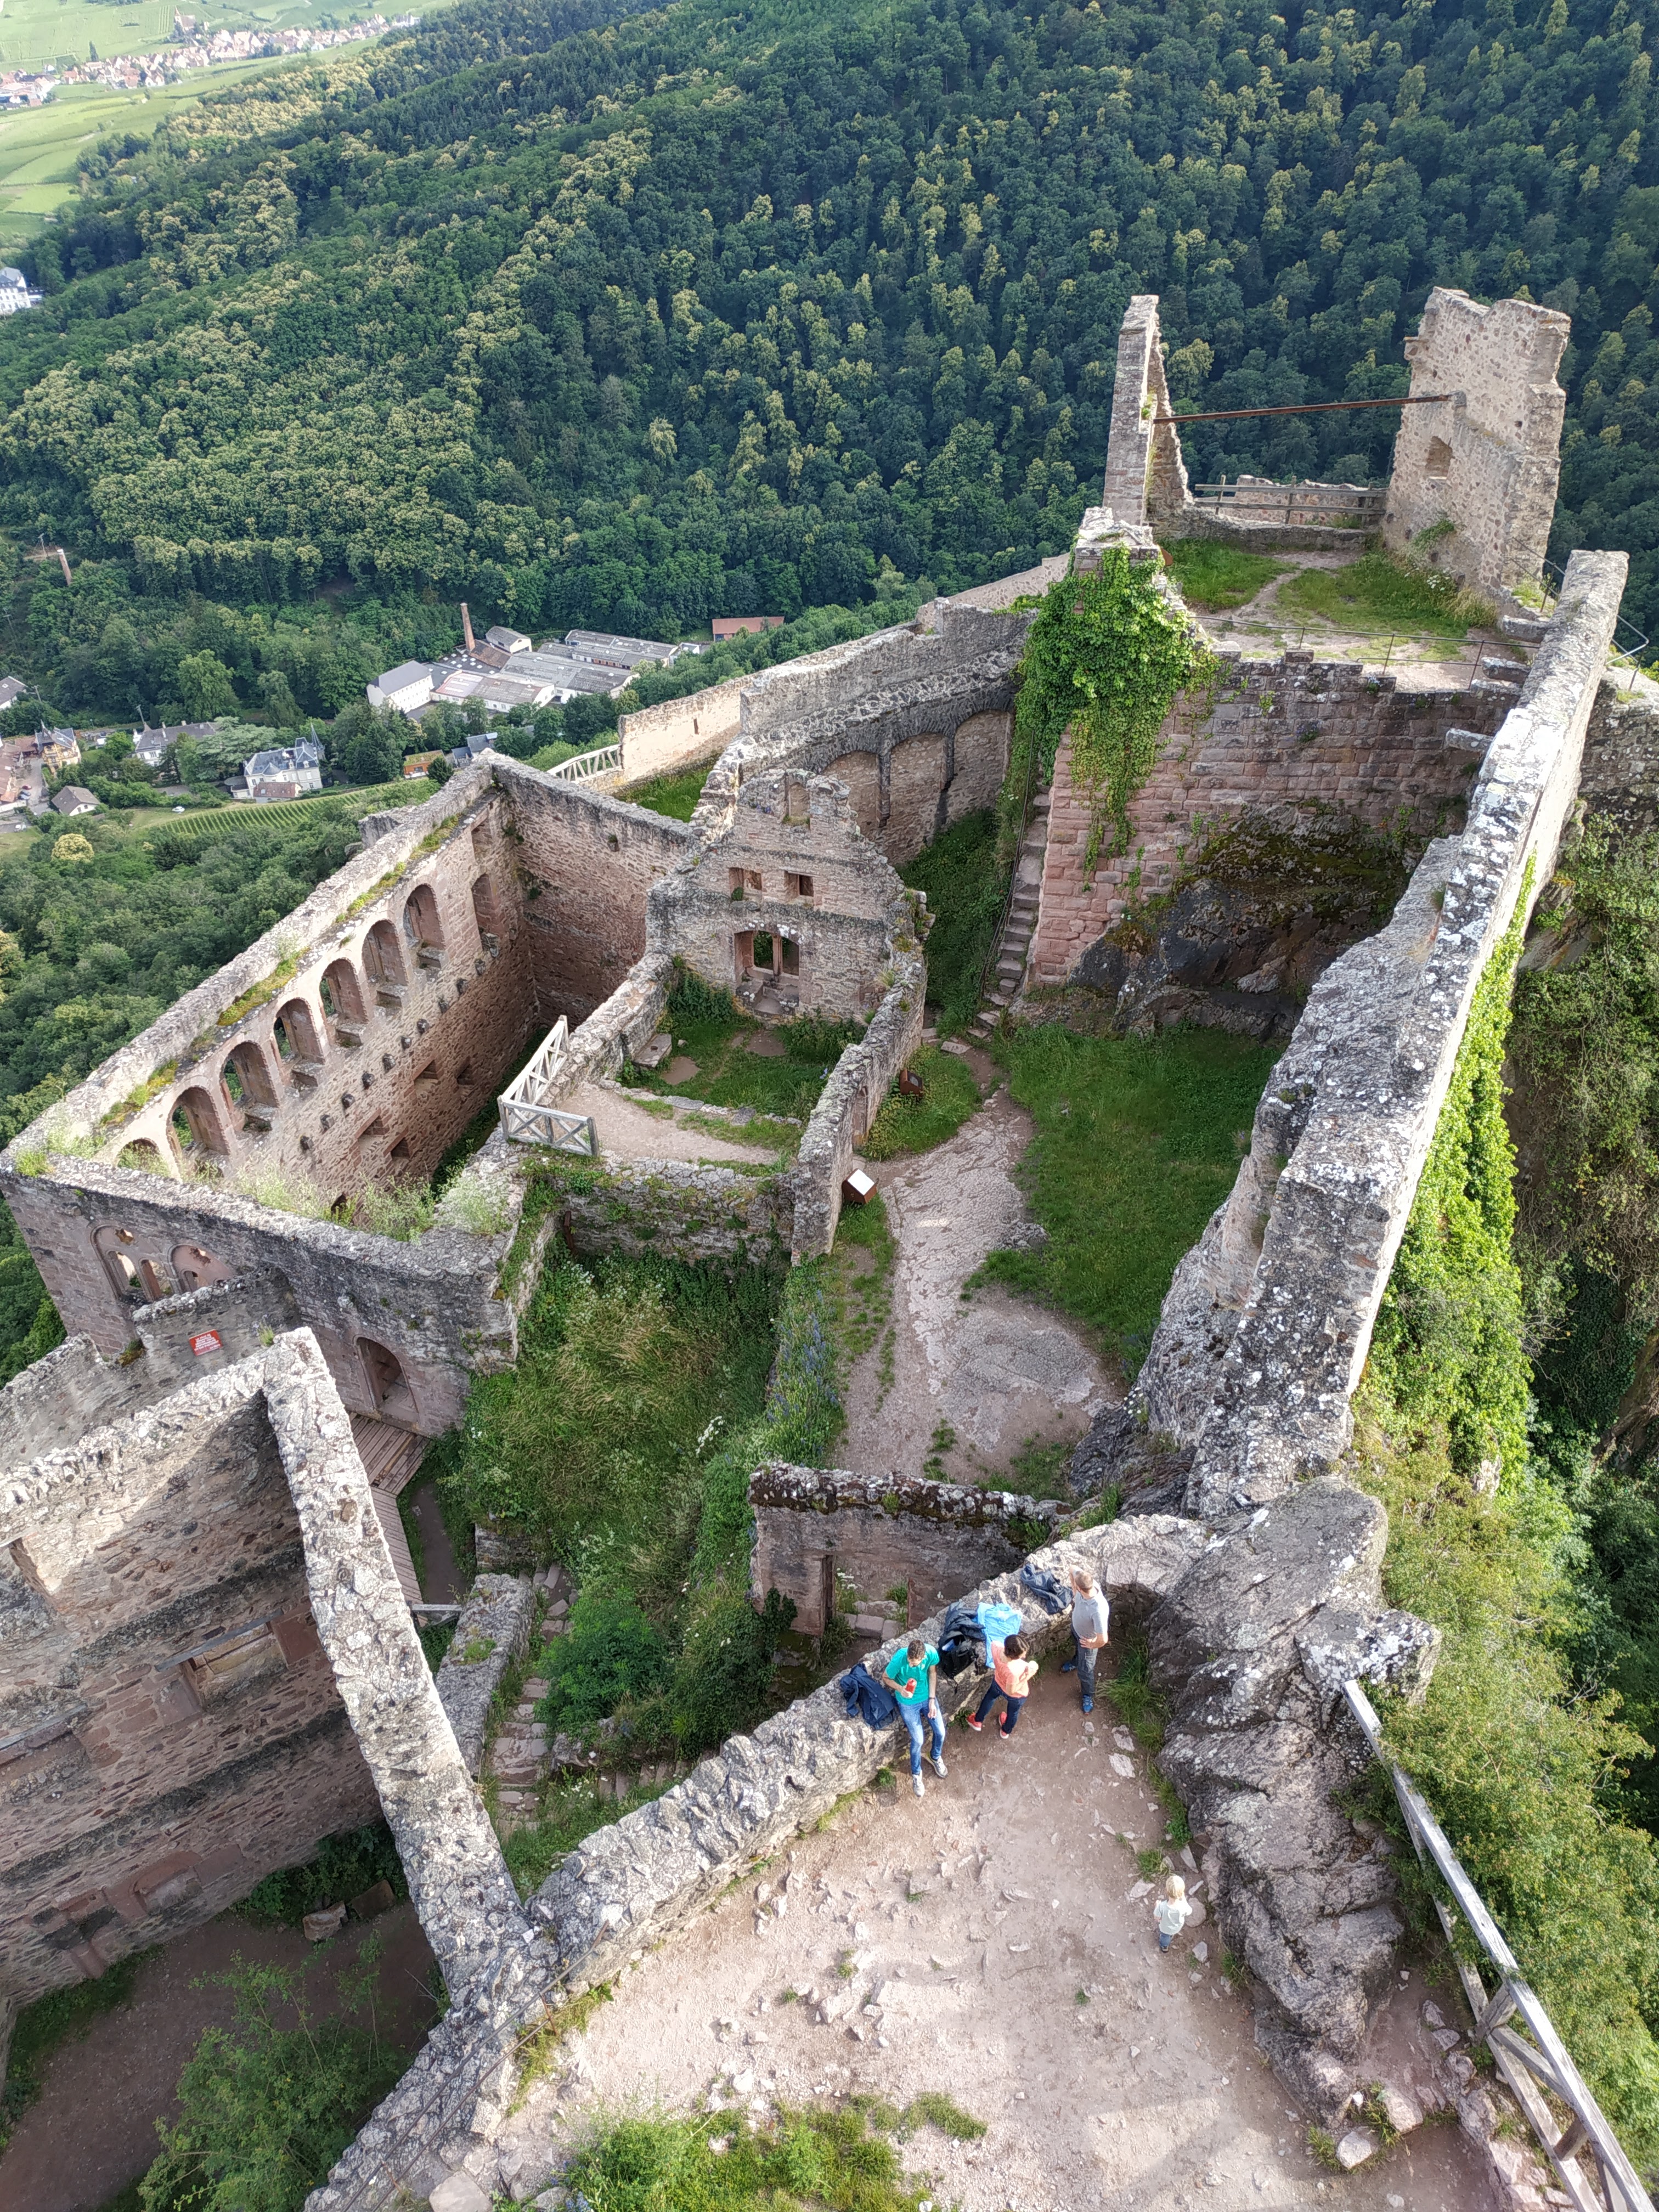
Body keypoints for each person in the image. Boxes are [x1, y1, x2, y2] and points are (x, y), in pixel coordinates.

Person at [884, 1634, 947, 1798]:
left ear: (923, 1657)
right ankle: (916, 1774)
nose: (911, 1664)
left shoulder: (931, 1653)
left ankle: (935, 1756)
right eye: (910, 1661)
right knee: (918, 1740)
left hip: (926, 1697)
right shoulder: (900, 1658)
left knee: (941, 1732)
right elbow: (886, 1677)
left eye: (914, 1663)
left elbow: (932, 1673)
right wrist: (901, 1689)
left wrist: (932, 1700)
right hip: (907, 1702)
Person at [967, 1629, 1038, 1737]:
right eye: (1021, 1655)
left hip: (998, 1683)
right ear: (1014, 1656)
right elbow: (1011, 1691)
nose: (1024, 1657)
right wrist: (1028, 1676)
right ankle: (1005, 1731)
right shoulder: (1015, 1670)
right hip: (1017, 1695)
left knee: (990, 1698)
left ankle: (977, 1720)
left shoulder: (996, 1647)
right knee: (1013, 1713)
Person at [1061, 1569, 1110, 1713]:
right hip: (1077, 1631)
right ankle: (1076, 1662)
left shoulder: (1098, 1610)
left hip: (1087, 1640)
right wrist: (1074, 1588)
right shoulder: (1089, 1585)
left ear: (1081, 1588)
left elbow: (1103, 1639)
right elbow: (1072, 1568)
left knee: (1086, 1671)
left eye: (1076, 1587)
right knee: (1077, 1649)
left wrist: (1091, 1645)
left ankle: (1088, 1695)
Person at [1154, 1875, 1192, 1953]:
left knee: (1165, 1937)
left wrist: (1157, 1906)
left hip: (1165, 1928)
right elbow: (1189, 1911)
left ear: (1167, 1891)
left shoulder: (1162, 1906)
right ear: (1182, 1893)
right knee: (1170, 1934)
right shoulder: (1183, 1906)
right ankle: (1171, 1936)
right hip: (1177, 1928)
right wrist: (1184, 1900)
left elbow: (1157, 1916)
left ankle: (1164, 1946)